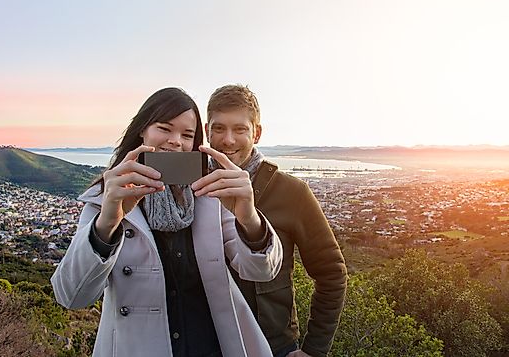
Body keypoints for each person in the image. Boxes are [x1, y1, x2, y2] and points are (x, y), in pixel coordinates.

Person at [51, 87, 283, 357]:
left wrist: (248, 216)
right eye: (165, 128)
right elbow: (72, 296)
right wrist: (107, 223)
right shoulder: (107, 199)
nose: (175, 141)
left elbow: (260, 271)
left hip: (212, 347)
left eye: (187, 135)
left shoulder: (209, 195)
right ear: (142, 130)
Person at [206, 85, 347, 357]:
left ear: (256, 133)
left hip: (271, 346)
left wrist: (314, 349)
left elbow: (331, 272)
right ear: (206, 130)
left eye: (240, 129)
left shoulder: (291, 193)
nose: (228, 140)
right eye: (219, 128)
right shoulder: (192, 188)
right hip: (204, 343)